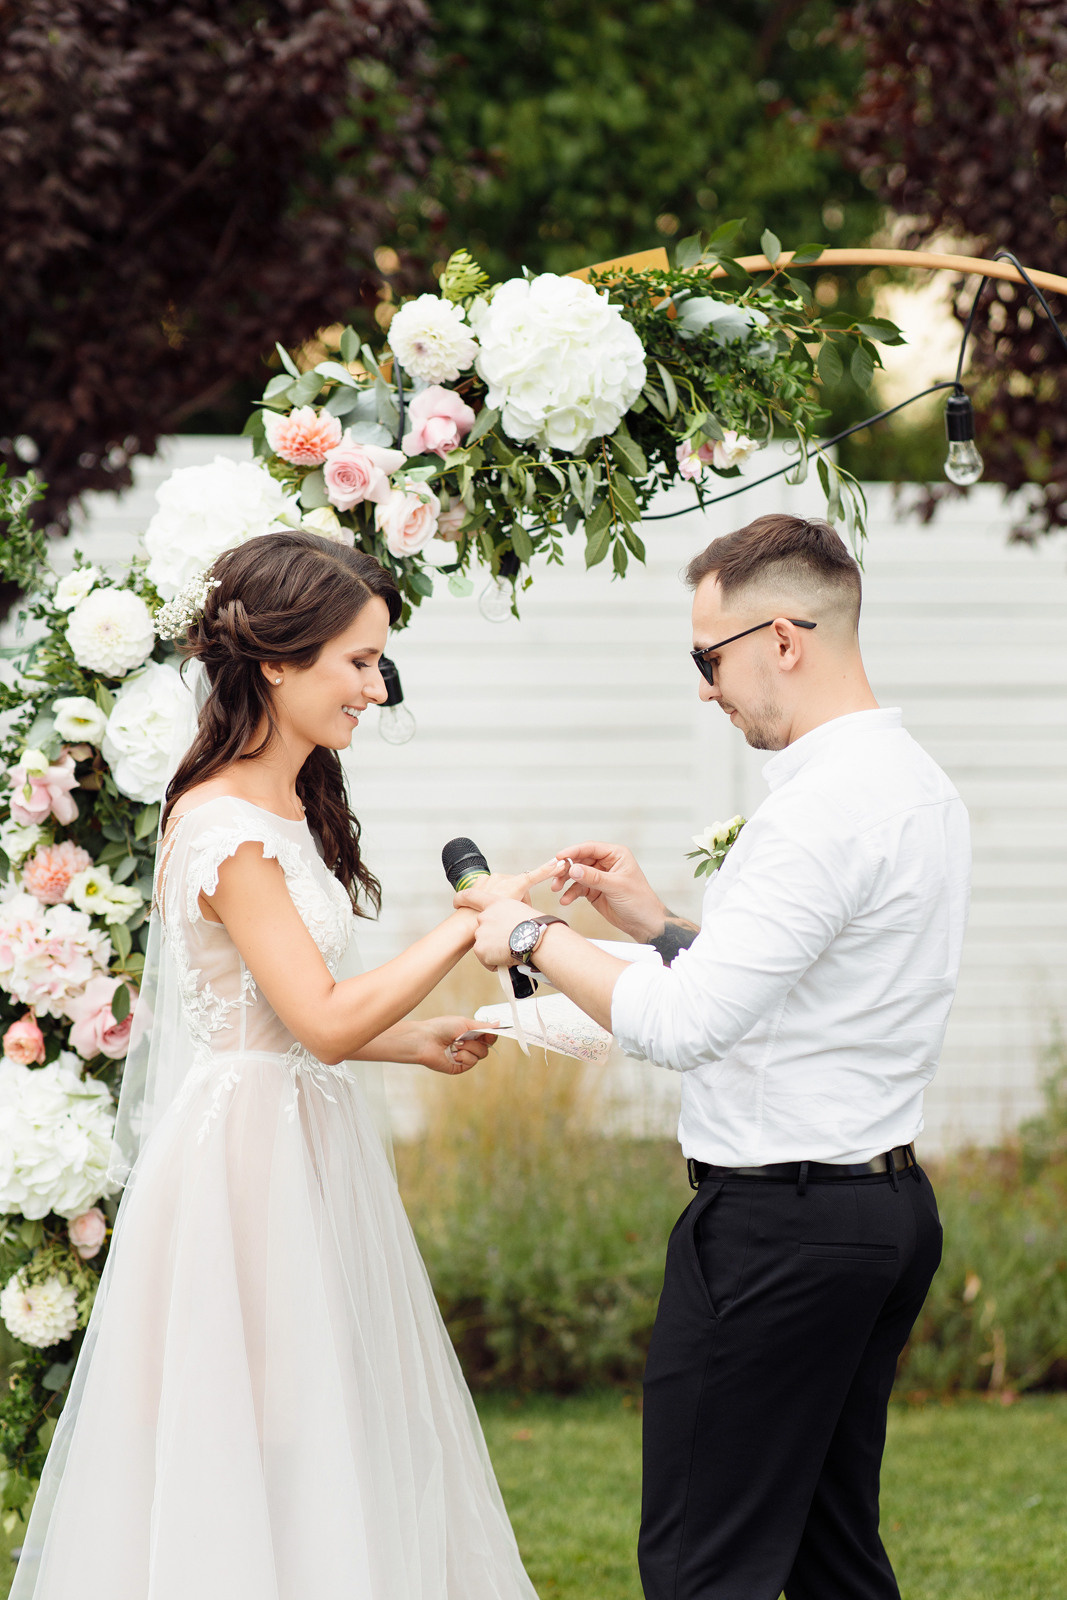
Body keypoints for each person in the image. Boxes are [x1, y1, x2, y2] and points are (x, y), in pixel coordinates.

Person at [13, 530, 538, 1600]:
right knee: (259, 1428)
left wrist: (416, 1037)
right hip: (242, 1167)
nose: (374, 688)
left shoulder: (292, 805)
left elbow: (286, 1013)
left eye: (376, 660)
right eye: (354, 661)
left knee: (316, 1423)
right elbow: (322, 1020)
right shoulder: (223, 828)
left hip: (299, 1133)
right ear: (276, 662)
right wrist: (470, 926)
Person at [459, 515, 971, 1600]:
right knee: (833, 1556)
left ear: (781, 636)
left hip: (777, 1234)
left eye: (708, 658)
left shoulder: (815, 813)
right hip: (876, 1215)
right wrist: (654, 926)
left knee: (703, 1564)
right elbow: (794, 995)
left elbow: (685, 1027)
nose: (705, 688)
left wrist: (526, 936)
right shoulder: (912, 783)